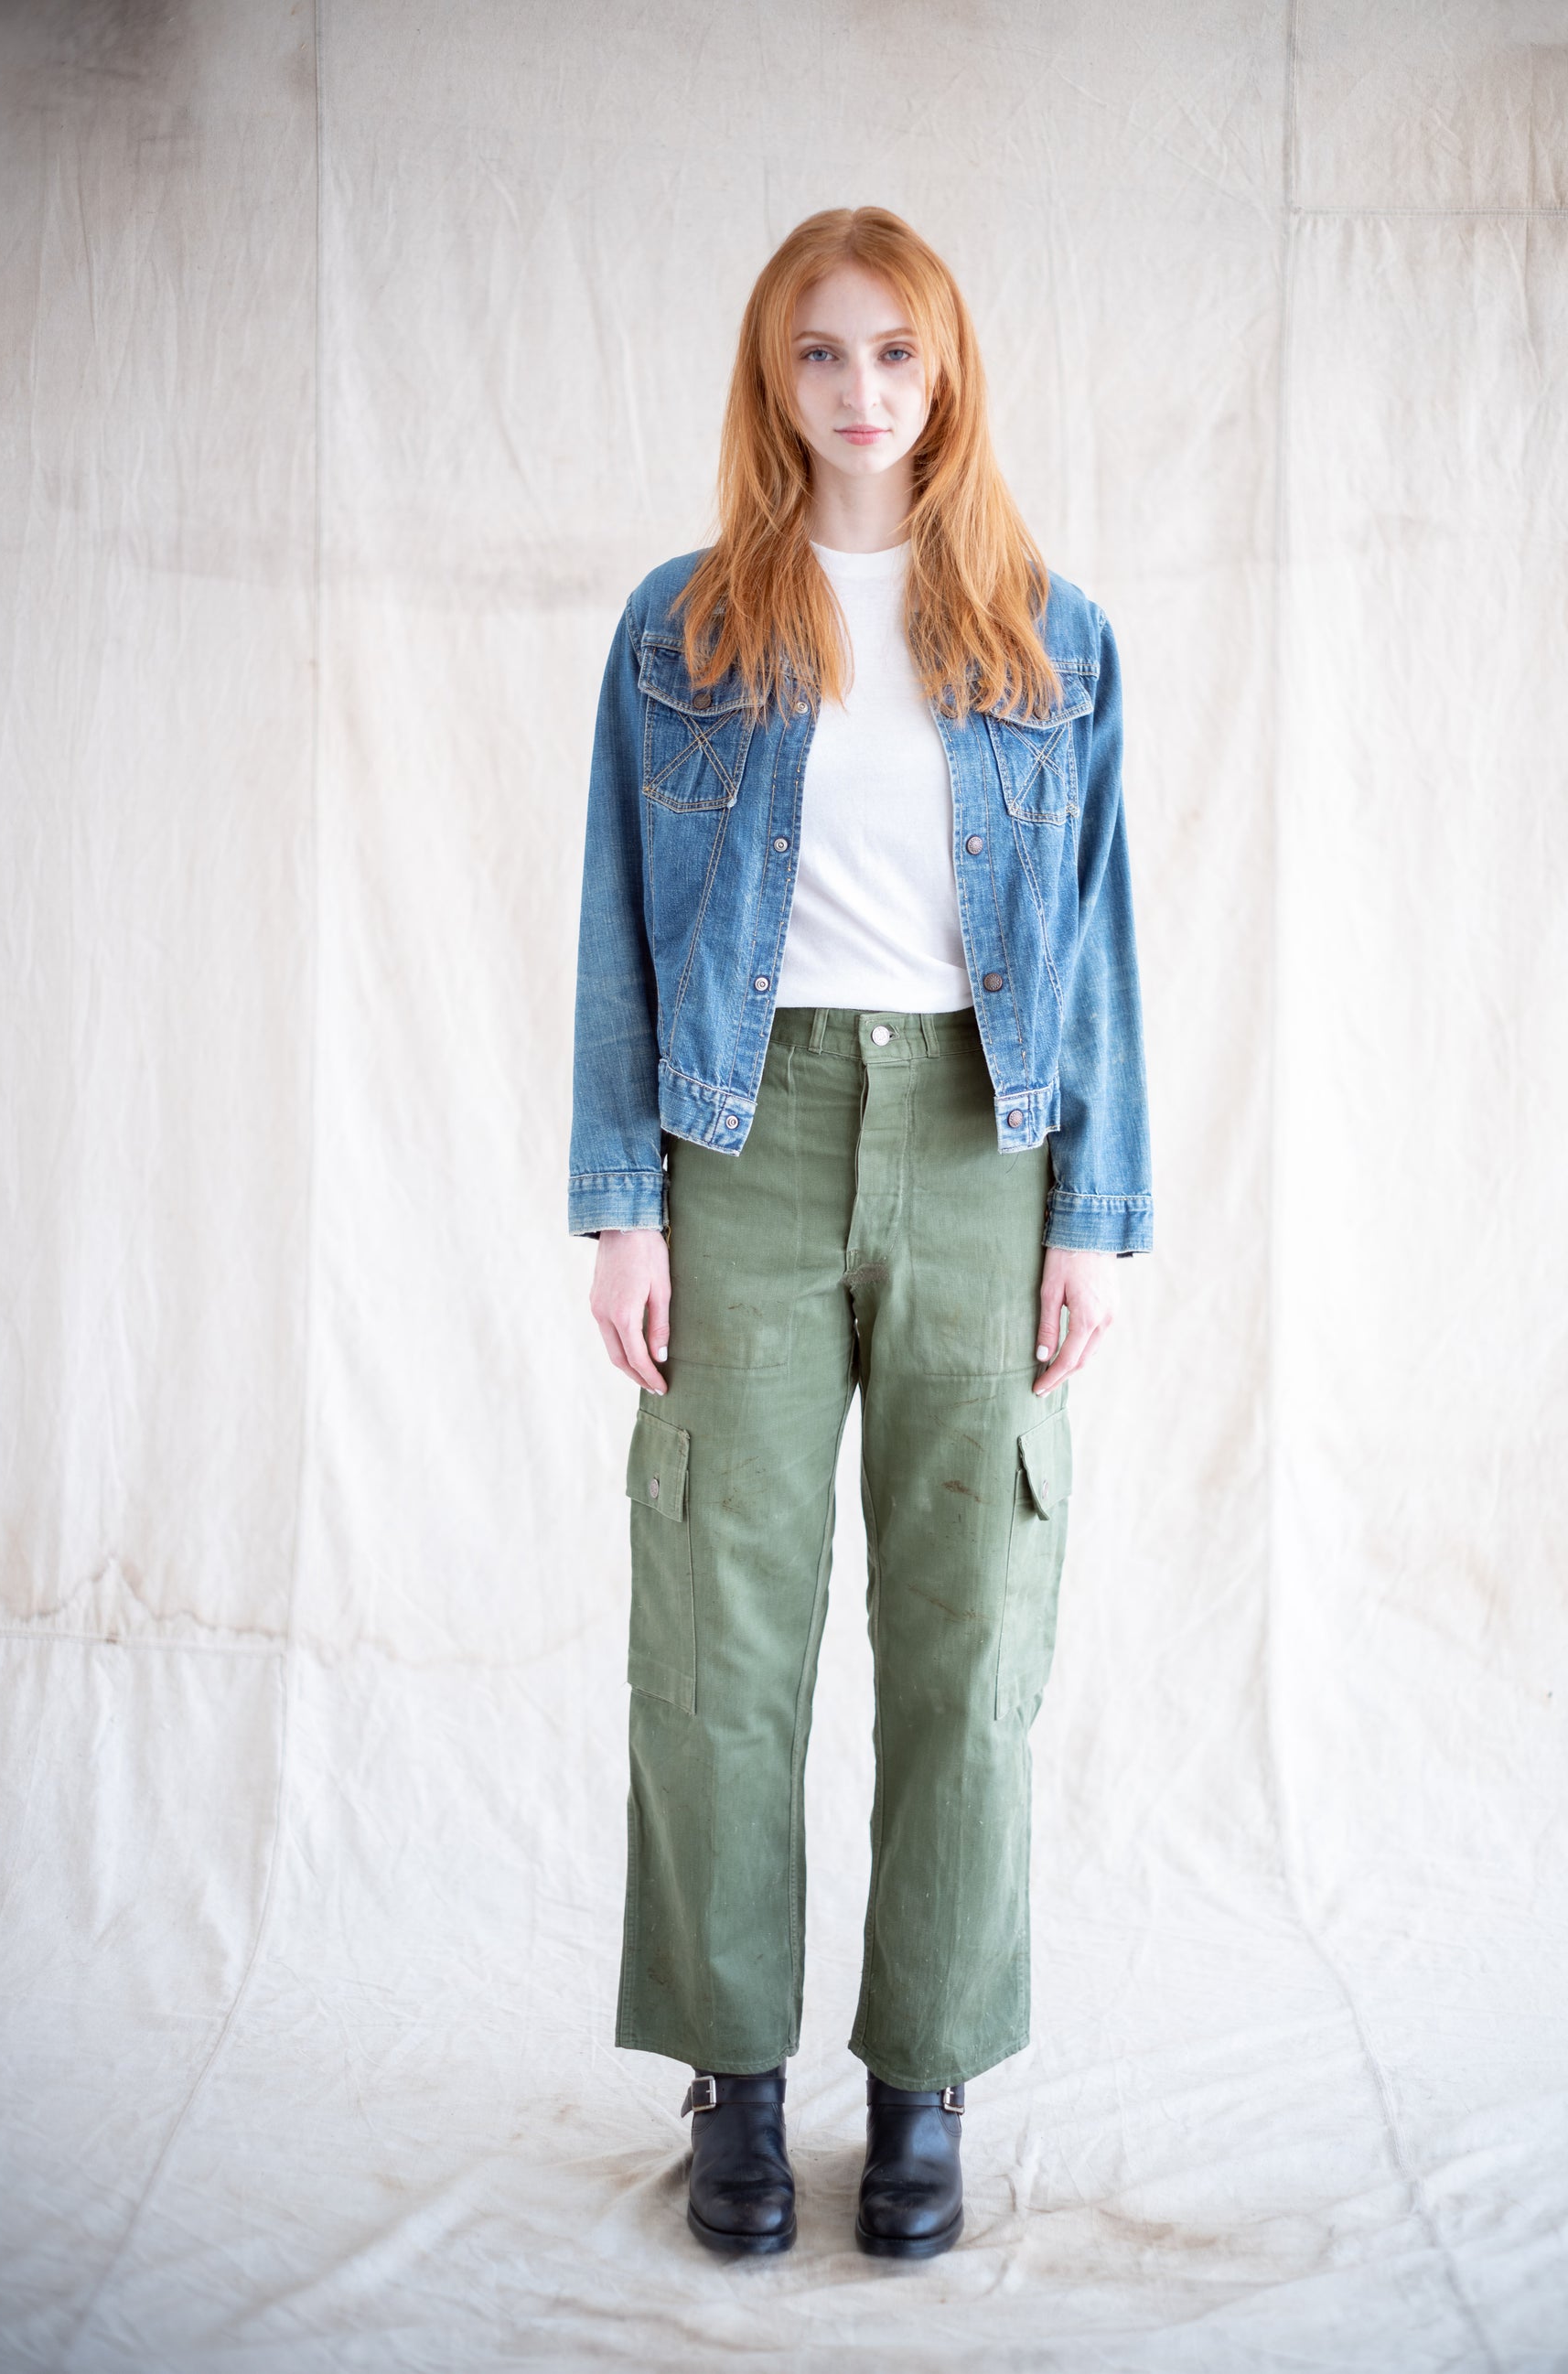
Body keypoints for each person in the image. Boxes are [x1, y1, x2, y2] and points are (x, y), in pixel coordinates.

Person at [569, 205, 1151, 2261]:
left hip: (985, 1141)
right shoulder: (684, 626)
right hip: (741, 1140)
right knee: (718, 1623)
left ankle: (924, 2081)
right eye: (820, 352)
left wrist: (1094, 1218)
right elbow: (616, 926)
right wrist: (620, 1205)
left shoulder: (1048, 634)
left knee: (970, 1623)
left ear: (946, 373)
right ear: (773, 377)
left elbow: (1094, 938)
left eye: (895, 351)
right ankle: (733, 2075)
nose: (860, 390)